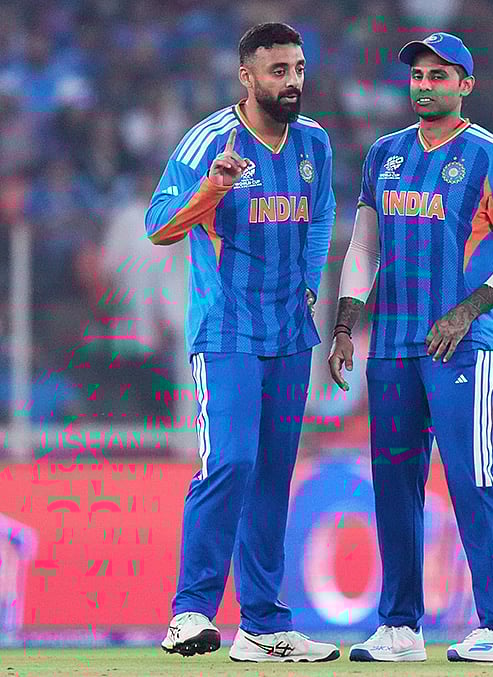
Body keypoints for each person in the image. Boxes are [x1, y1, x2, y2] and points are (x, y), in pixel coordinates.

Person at [327, 32, 493, 663]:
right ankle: (400, 627)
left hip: (461, 344)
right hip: (391, 342)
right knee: (393, 482)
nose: (425, 84)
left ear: (465, 85)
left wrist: (469, 309)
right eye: (419, 75)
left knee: (472, 473)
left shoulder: (490, 155)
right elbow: (363, 246)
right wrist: (346, 325)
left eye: (440, 76)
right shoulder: (384, 155)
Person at [145, 23, 338, 663]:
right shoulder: (209, 143)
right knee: (228, 462)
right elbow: (158, 229)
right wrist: (213, 189)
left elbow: (322, 215)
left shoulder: (314, 142)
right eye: (278, 71)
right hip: (226, 329)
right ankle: (191, 612)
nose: (292, 83)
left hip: (289, 334)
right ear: (247, 78)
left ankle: (262, 626)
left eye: (299, 69)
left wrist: (311, 287)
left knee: (273, 477)